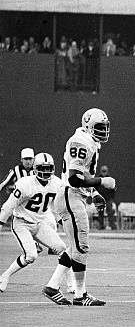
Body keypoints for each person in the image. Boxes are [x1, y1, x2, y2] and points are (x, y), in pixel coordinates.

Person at [43, 108, 114, 306]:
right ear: (88, 125)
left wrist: (94, 193)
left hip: (74, 196)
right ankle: (80, 295)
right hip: (70, 195)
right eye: (99, 127)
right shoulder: (81, 141)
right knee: (81, 247)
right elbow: (74, 178)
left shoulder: (89, 141)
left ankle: (53, 286)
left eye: (105, 127)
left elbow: (83, 175)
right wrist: (102, 182)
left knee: (75, 247)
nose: (103, 131)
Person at [0, 154, 71, 297]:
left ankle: (70, 285)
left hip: (40, 223)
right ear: (35, 168)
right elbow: (9, 206)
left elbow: (56, 206)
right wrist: (1, 222)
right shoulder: (25, 184)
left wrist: (62, 221)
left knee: (63, 249)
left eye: (49, 168)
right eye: (42, 168)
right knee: (31, 256)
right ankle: (5, 276)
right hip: (21, 223)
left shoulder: (56, 183)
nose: (45, 172)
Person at [96, 166, 117, 230]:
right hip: (100, 198)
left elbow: (114, 189)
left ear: (107, 171)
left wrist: (111, 198)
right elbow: (95, 189)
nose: (104, 173)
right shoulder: (98, 179)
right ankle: (101, 225)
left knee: (110, 211)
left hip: (108, 198)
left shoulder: (110, 179)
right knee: (100, 212)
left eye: (105, 171)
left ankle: (112, 225)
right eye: (103, 171)